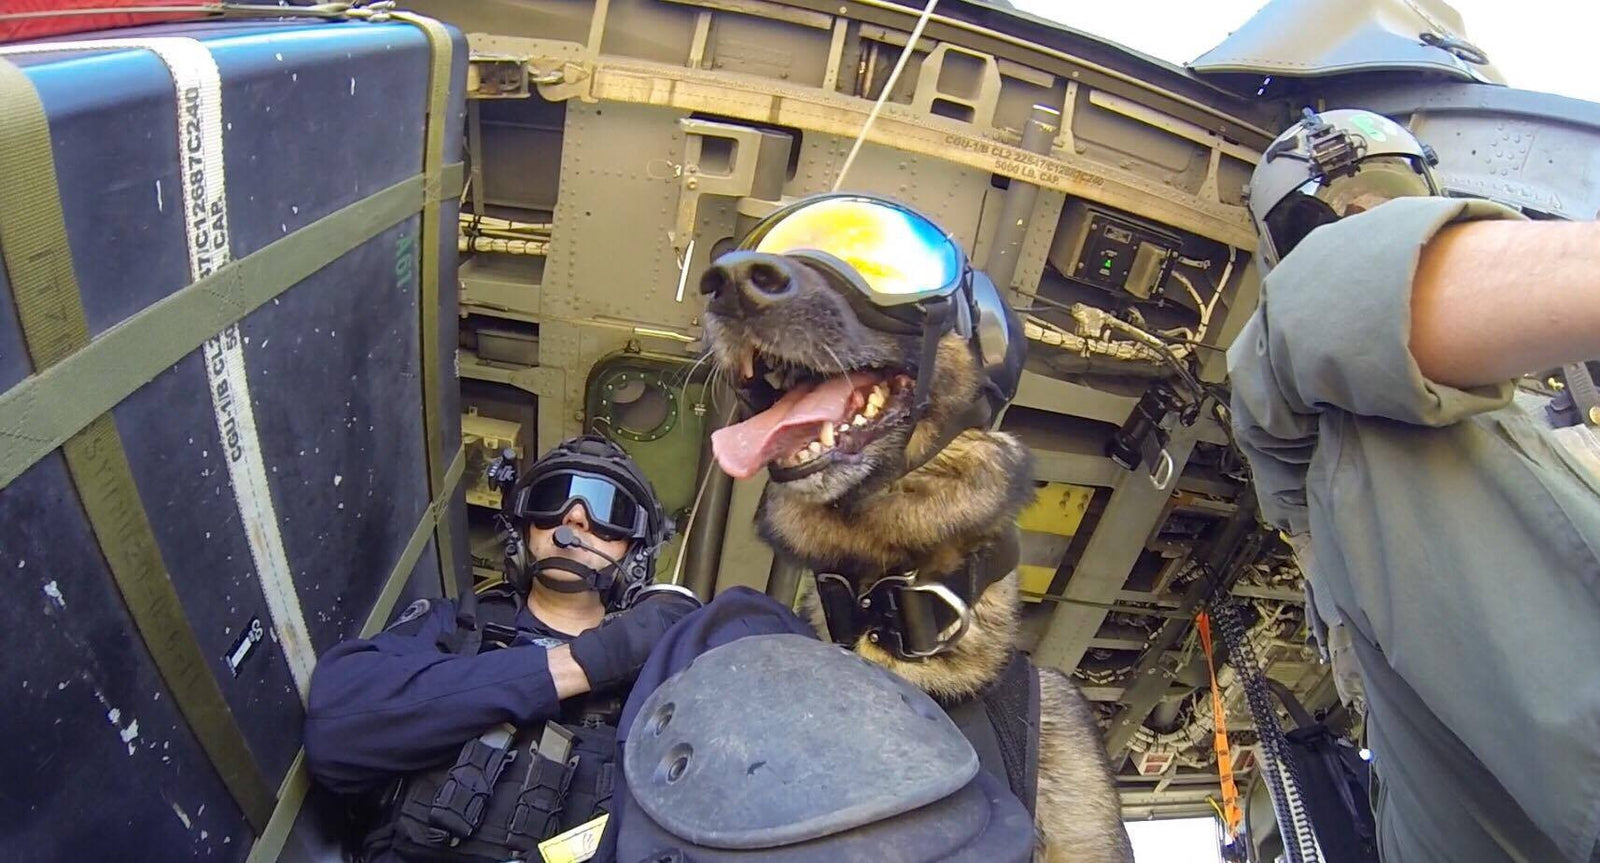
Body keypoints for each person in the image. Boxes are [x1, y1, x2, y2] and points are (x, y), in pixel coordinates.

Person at [1229, 107, 1600, 861]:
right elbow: (1317, 316)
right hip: (1485, 812)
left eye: (1387, 196)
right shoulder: (1297, 388)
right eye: (1315, 222)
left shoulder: (1553, 415)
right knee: (1373, 423)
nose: (1359, 216)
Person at [303, 434, 702, 862]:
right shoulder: (455, 626)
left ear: (635, 549)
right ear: (525, 525)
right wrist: (588, 663)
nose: (575, 517)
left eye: (607, 508)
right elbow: (337, 729)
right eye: (556, 496)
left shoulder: (658, 678)